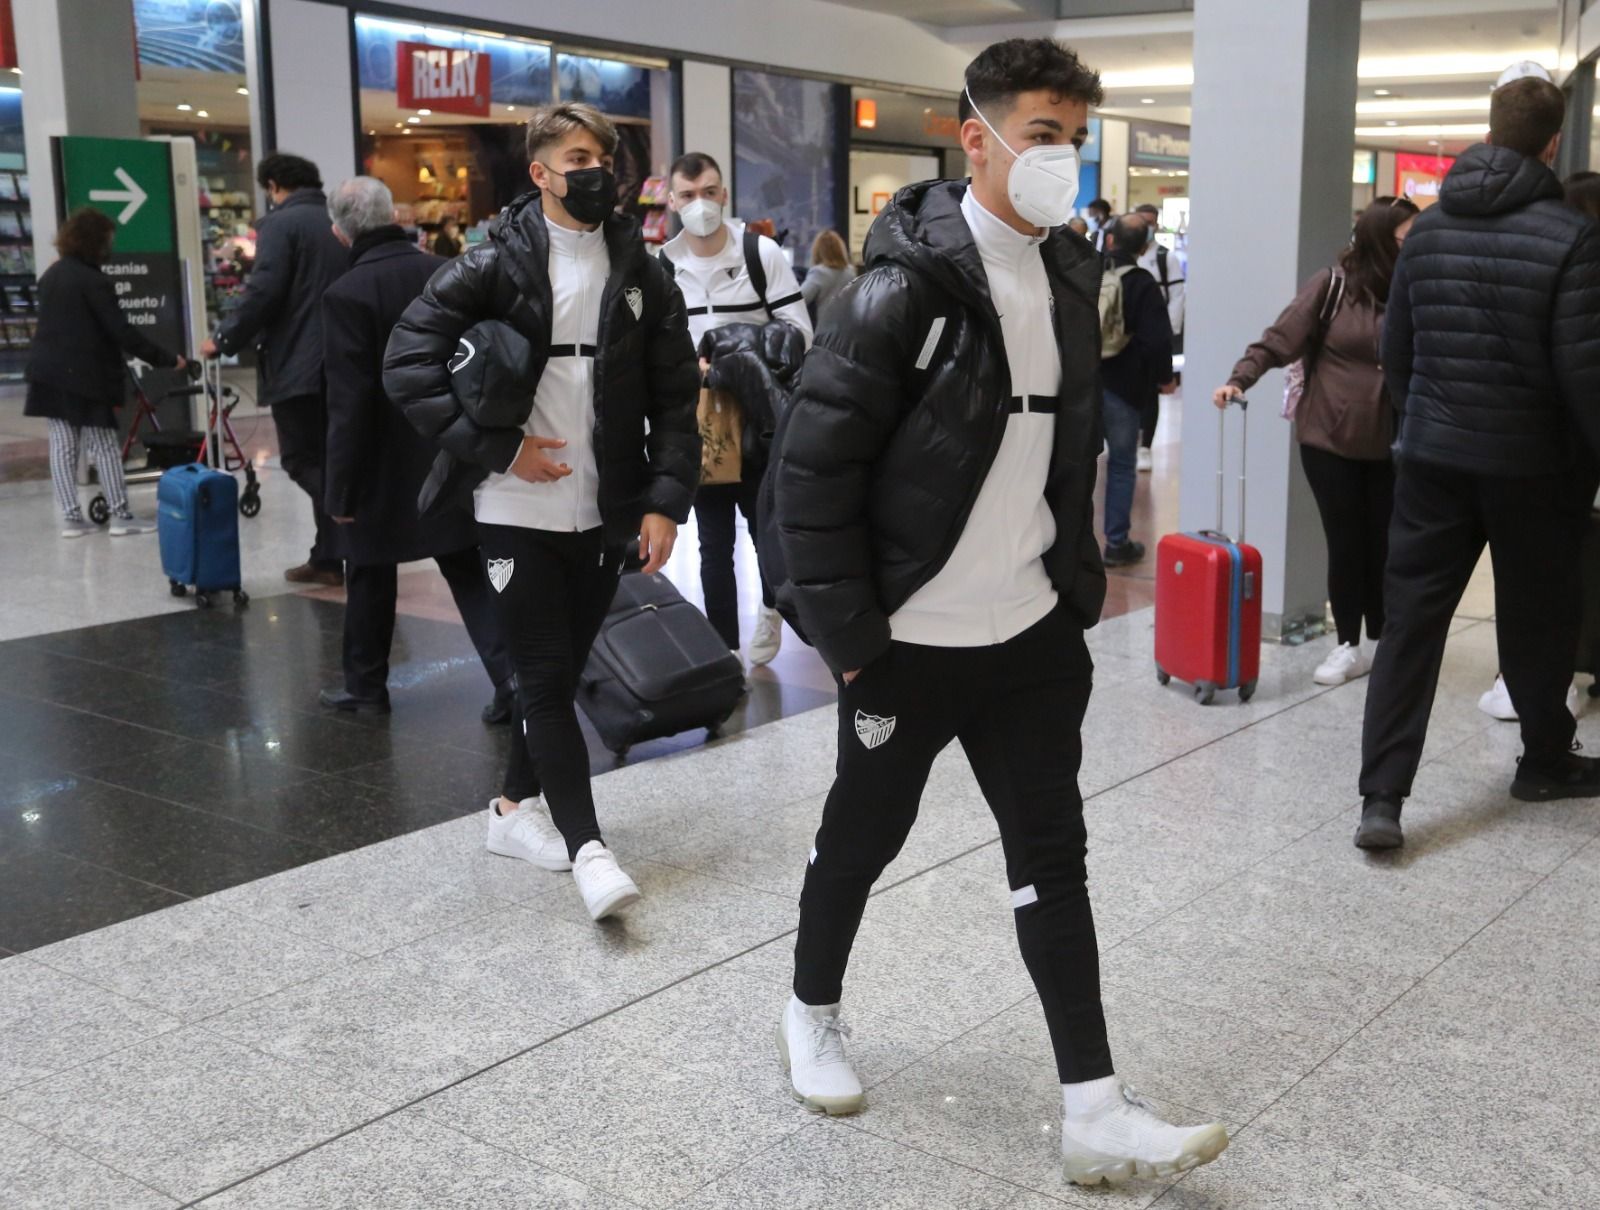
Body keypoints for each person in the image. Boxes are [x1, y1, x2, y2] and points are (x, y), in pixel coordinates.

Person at [768, 36, 1228, 1186]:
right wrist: (853, 646)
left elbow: (1065, 455)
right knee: (863, 836)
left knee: (1052, 859)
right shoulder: (896, 292)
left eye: (1074, 137)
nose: (1060, 157)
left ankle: (1094, 1110)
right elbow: (809, 480)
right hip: (906, 646)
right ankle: (809, 1009)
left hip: (1028, 638)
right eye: (1041, 134)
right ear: (974, 140)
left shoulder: (1070, 278)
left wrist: (1070, 597)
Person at [384, 102, 699, 919]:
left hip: (604, 508)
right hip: (512, 502)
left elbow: (675, 397)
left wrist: (665, 500)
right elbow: (407, 360)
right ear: (541, 172)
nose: (595, 172)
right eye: (578, 158)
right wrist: (498, 449)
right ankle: (591, 849)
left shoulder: (643, 270)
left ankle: (509, 810)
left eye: (603, 159)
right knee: (545, 678)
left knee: (557, 670)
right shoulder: (492, 263)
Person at [1354, 76, 1600, 852]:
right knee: (1538, 618)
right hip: (1534, 466)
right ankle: (1543, 761)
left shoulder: (1426, 231)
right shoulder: (1571, 236)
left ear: (1489, 135)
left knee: (1411, 623)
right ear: (1552, 144)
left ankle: (1382, 798)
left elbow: (1397, 352)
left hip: (1432, 460)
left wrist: (1419, 428)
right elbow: (1584, 372)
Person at [317, 177, 513, 722]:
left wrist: (340, 489)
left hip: (380, 460)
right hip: (450, 446)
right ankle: (511, 681)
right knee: (467, 569)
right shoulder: (444, 271)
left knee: (368, 571)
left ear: (340, 232)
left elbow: (348, 402)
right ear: (393, 215)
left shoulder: (345, 294)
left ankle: (366, 689)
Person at [1214, 198, 1417, 688]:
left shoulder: (1417, 290)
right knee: (1346, 541)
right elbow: (1278, 339)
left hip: (1394, 439)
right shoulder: (1333, 287)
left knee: (1387, 542)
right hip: (1329, 438)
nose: (1414, 247)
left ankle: (1381, 639)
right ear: (1380, 240)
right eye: (1406, 239)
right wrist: (1239, 379)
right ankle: (1348, 643)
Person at [660, 151, 813, 665]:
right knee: (713, 542)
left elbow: (799, 332)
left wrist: (731, 349)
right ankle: (723, 646)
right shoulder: (663, 266)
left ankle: (772, 606)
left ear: (724, 194)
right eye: (687, 195)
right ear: (672, 200)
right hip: (701, 422)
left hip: (760, 417)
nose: (699, 204)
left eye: (708, 192)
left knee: (768, 528)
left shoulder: (760, 254)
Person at [1477, 168, 1598, 722]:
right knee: (1558, 569)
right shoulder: (1579, 268)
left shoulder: (1537, 263)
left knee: (1528, 570)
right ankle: (1550, 682)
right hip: (1570, 447)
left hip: (1530, 443)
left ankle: (1528, 681)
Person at [202, 152, 347, 586]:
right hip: (346, 360)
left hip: (300, 363)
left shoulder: (281, 225)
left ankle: (355, 526)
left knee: (302, 460)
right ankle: (328, 558)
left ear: (273, 186)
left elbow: (263, 291)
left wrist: (223, 338)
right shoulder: (340, 218)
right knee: (331, 459)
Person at [26, 208, 185, 538]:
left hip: (47, 372)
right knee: (103, 444)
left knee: (62, 444)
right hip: (84, 376)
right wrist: (168, 359)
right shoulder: (94, 281)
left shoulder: (51, 275)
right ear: (94, 242)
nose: (110, 246)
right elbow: (122, 332)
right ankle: (120, 515)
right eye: (108, 240)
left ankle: (71, 519)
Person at [1099, 212, 1175, 568]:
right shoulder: (1143, 283)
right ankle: (1116, 543)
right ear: (1144, 248)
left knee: (1076, 465)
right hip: (1124, 387)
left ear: (1110, 240)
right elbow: (1158, 339)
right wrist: (1163, 377)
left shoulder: (1086, 275)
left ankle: (1072, 544)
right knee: (1121, 465)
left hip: (1081, 384)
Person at [1134, 202, 1185, 471]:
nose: (1147, 227)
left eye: (1151, 222)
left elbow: (1177, 296)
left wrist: (1170, 330)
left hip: (1153, 335)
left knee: (1151, 392)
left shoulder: (1166, 258)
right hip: (1125, 339)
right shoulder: (1122, 255)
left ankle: (1145, 446)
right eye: (1142, 222)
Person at [800, 229, 856, 327]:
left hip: (825, 330)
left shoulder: (818, 273)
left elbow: (800, 300)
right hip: (848, 329)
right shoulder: (850, 273)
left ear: (818, 251)